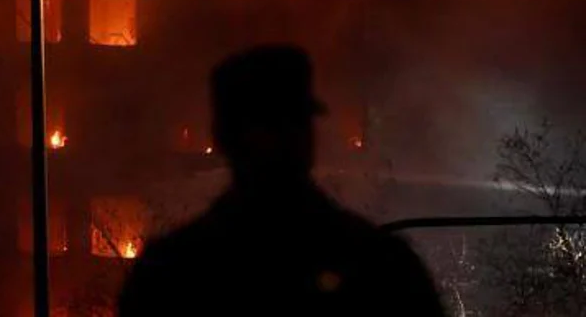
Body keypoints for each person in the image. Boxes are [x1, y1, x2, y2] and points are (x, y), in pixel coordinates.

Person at [119, 45, 445, 316]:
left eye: (286, 125)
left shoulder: (172, 272)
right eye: (267, 126)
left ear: (219, 137)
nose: (277, 141)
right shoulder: (381, 266)